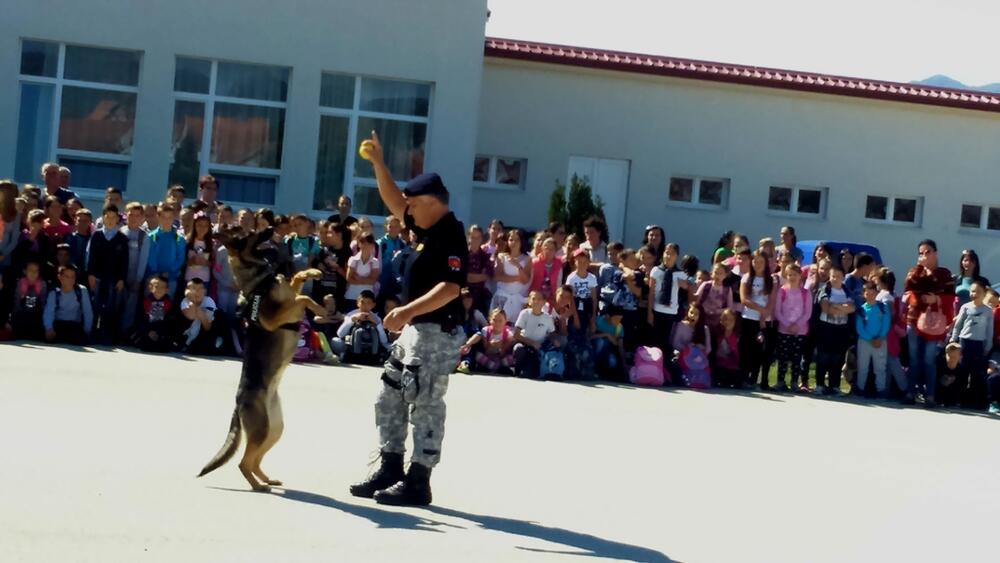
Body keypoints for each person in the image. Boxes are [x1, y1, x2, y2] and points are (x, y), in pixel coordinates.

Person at [349, 132, 467, 507]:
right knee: (389, 396)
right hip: (414, 331)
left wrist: (407, 311)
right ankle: (390, 468)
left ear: (431, 203)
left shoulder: (450, 233)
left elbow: (452, 288)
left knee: (426, 404)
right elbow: (392, 198)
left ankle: (419, 480)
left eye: (413, 204)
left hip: (435, 332)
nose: (406, 210)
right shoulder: (424, 226)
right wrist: (379, 164)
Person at [904, 239, 955, 408]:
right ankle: (911, 392)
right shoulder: (914, 272)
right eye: (921, 253)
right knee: (913, 359)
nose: (924, 256)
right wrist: (921, 270)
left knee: (928, 359)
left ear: (936, 253)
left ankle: (930, 395)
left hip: (933, 323)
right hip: (914, 320)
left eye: (928, 252)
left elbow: (950, 297)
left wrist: (936, 299)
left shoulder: (944, 274)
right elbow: (908, 291)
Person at [86, 205, 129, 344]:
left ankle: (106, 334)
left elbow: (125, 260)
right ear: (103, 218)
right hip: (97, 276)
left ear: (117, 218)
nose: (110, 220)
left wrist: (122, 278)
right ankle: (92, 332)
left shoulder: (122, 238)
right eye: (107, 217)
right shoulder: (97, 235)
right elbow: (91, 256)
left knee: (110, 306)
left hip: (113, 278)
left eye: (113, 217)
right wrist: (91, 274)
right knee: (95, 304)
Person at [949, 281, 993, 409]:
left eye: (978, 292)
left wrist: (987, 346)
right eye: (972, 291)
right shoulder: (966, 307)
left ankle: (973, 401)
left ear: (984, 293)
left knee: (976, 373)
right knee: (962, 371)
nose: (974, 294)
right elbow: (958, 325)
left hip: (978, 343)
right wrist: (953, 339)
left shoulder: (987, 310)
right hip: (965, 342)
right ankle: (958, 399)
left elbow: (989, 330)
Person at [814, 266, 855, 395]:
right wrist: (843, 307)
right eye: (833, 276)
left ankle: (835, 386)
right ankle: (820, 385)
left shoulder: (846, 291)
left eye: (838, 276)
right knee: (823, 357)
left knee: (837, 358)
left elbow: (852, 308)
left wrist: (836, 306)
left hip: (841, 329)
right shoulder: (825, 290)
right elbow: (826, 309)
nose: (835, 279)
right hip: (826, 328)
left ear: (843, 277)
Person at [740, 250, 776, 390]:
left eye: (761, 261)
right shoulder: (746, 278)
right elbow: (744, 300)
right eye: (755, 261)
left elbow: (771, 301)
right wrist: (761, 310)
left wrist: (764, 315)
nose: (757, 264)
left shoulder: (771, 280)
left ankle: (755, 379)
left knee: (759, 351)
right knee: (746, 350)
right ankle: (744, 378)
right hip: (748, 318)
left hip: (764, 321)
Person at [773, 264, 812, 392]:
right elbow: (777, 311)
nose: (792, 277)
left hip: (800, 331)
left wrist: (797, 325)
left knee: (796, 357)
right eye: (789, 275)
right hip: (783, 330)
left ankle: (795, 382)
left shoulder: (806, 293)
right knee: (783, 357)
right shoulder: (782, 291)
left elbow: (807, 313)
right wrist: (787, 324)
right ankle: (780, 381)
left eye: (795, 274)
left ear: (800, 276)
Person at [647, 243, 686, 356]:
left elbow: (690, 287)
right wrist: (649, 312)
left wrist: (685, 284)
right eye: (667, 253)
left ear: (677, 256)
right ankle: (653, 364)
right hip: (657, 310)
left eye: (672, 254)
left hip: (671, 312)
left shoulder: (680, 273)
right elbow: (651, 293)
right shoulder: (656, 270)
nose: (668, 256)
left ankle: (663, 365)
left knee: (666, 340)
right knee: (654, 340)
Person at [855, 280, 892, 398]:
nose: (870, 296)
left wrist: (880, 337)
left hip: (880, 341)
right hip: (865, 341)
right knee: (862, 366)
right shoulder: (861, 310)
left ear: (876, 293)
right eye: (867, 293)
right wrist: (870, 339)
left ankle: (881, 390)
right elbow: (859, 328)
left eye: (872, 293)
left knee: (880, 367)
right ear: (863, 294)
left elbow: (886, 323)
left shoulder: (882, 307)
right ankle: (860, 388)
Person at [120, 202, 151, 339]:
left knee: (130, 307)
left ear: (142, 218)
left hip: (134, 277)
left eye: (137, 215)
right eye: (131, 214)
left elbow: (143, 259)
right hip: (120, 275)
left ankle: (125, 332)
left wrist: (138, 279)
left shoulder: (144, 236)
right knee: (117, 303)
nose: (133, 218)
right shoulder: (120, 231)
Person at [334, 289, 390, 360]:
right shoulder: (351, 315)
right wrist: (352, 320)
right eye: (362, 302)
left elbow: (384, 341)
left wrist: (376, 324)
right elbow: (340, 334)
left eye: (368, 303)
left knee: (388, 346)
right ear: (358, 303)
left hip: (370, 346)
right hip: (353, 345)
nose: (365, 306)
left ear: (373, 305)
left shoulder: (376, 318)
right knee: (335, 341)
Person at [43, 264, 93, 344]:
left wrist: (87, 330)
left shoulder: (82, 291)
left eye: (73, 277)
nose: (70, 280)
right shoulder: (54, 292)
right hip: (59, 324)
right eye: (67, 277)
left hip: (74, 326)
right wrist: (49, 328)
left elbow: (87, 312)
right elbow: (49, 312)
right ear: (60, 277)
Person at [145, 203, 187, 297]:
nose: (166, 220)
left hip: (170, 278)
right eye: (163, 217)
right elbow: (149, 256)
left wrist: (169, 271)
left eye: (169, 217)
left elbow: (180, 258)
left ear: (173, 218)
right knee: (149, 304)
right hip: (153, 277)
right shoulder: (152, 236)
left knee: (167, 304)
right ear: (158, 217)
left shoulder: (178, 238)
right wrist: (156, 272)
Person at [513, 291, 557, 379]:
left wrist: (555, 341)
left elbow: (552, 333)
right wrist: (532, 343)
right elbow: (516, 334)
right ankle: (517, 370)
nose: (536, 301)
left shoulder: (547, 318)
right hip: (524, 345)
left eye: (539, 299)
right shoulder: (524, 313)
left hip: (538, 349)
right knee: (518, 349)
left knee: (529, 373)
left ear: (544, 302)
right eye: (533, 299)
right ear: (529, 301)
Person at [490, 229, 531, 322]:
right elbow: (497, 276)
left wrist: (517, 265)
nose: (514, 242)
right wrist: (517, 278)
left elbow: (525, 280)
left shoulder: (527, 259)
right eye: (511, 239)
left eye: (517, 240)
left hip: (518, 300)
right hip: (502, 298)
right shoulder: (501, 256)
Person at [460, 308, 514, 374]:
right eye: (494, 320)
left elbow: (504, 351)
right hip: (488, 356)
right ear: (490, 320)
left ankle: (495, 367)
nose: (497, 323)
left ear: (505, 321)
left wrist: (501, 346)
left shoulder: (508, 333)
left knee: (511, 358)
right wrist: (491, 345)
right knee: (478, 355)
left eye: (500, 321)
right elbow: (486, 350)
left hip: (501, 357)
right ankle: (497, 368)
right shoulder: (486, 330)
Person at [132, 275, 176, 352]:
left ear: (166, 290)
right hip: (146, 331)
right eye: (156, 286)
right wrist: (148, 332)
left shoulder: (169, 304)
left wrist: (158, 332)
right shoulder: (146, 301)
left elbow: (169, 323)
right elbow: (140, 319)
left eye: (162, 287)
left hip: (160, 332)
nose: (159, 289)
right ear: (151, 288)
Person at [9, 261, 47, 341]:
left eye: (36, 271)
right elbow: (16, 303)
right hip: (21, 315)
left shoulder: (42, 284)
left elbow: (43, 303)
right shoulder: (20, 283)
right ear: (25, 271)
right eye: (30, 270)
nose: (33, 273)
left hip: (36, 317)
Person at [566, 249, 599, 331]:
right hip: (576, 305)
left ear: (588, 263)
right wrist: (575, 316)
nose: (582, 264)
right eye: (579, 262)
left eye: (585, 262)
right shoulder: (571, 278)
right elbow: (570, 299)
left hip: (587, 305)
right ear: (575, 262)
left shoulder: (592, 278)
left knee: (589, 328)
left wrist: (593, 317)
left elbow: (594, 299)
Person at [465, 225, 494, 315]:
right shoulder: (462, 254)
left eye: (478, 238)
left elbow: (490, 275)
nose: (475, 240)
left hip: (479, 297)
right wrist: (482, 276)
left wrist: (473, 277)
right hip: (463, 296)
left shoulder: (485, 256)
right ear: (468, 237)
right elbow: (466, 277)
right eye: (473, 237)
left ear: (481, 238)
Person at [345, 233, 380, 301]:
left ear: (372, 245)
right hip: (351, 296)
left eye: (369, 243)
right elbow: (349, 279)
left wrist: (358, 278)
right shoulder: (353, 259)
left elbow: (373, 281)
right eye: (363, 242)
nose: (366, 245)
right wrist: (366, 280)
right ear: (359, 244)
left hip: (367, 299)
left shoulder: (375, 262)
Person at [529, 237, 563, 307]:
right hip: (535, 298)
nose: (548, 251)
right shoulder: (535, 262)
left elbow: (558, 284)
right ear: (542, 249)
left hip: (551, 299)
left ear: (555, 251)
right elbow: (529, 281)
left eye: (551, 249)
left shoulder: (559, 264)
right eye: (546, 248)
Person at [714, 309, 742, 388]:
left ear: (735, 321)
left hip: (732, 364)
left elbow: (737, 356)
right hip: (719, 363)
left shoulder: (737, 336)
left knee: (736, 375)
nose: (728, 322)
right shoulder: (717, 334)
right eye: (725, 319)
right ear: (721, 320)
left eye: (731, 320)